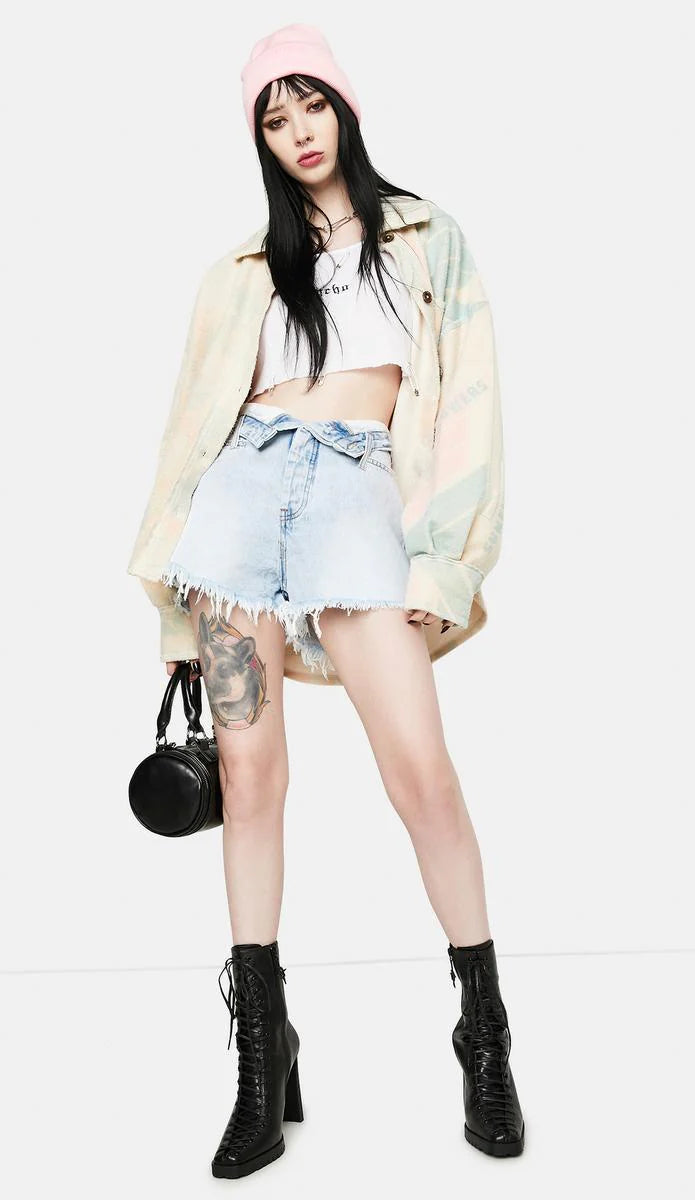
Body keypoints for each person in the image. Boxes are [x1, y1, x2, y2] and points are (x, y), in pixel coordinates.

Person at [126, 22, 524, 1176]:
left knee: (422, 775)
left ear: (344, 109)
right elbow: (187, 436)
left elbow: (470, 411)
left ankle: (484, 1036)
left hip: (358, 494)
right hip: (237, 503)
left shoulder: (426, 237)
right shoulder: (241, 272)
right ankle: (263, 1057)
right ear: (259, 138)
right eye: (274, 115)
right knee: (251, 784)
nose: (297, 130)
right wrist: (173, 609)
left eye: (311, 105)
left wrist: (443, 567)